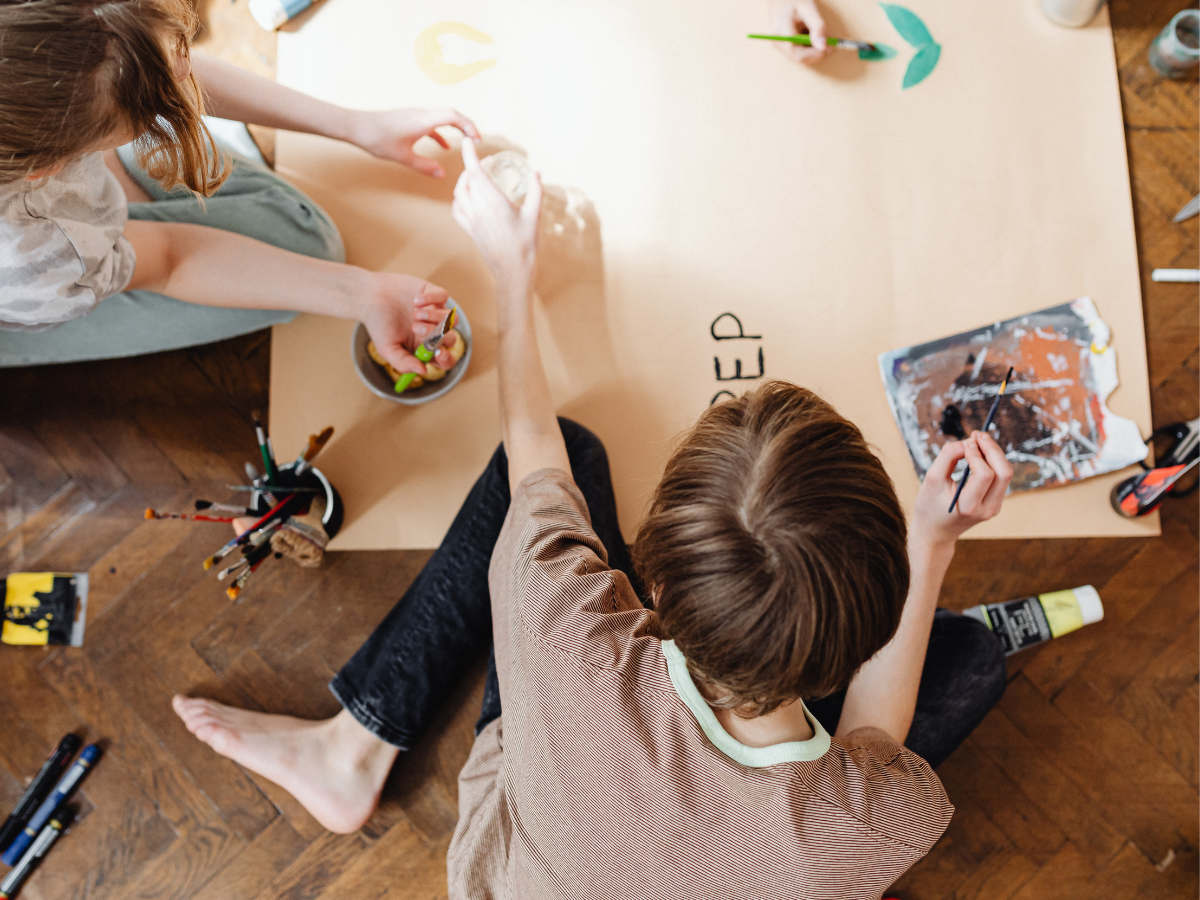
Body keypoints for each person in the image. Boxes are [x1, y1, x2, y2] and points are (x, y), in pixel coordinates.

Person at [175, 139, 1012, 897]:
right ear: (857, 639)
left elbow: (535, 442)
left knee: (565, 454)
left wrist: (510, 271)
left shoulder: (562, 620)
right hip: (754, 825)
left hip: (518, 861)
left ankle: (358, 741)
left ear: (644, 579)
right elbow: (868, 740)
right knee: (974, 657)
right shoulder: (852, 828)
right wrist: (931, 539)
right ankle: (352, 748)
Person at [0, 0, 472, 373]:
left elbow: (135, 55)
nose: (188, 76)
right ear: (46, 163)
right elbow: (169, 259)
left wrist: (354, 125)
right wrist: (361, 293)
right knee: (308, 244)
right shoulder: (40, 263)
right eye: (151, 111)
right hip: (33, 294)